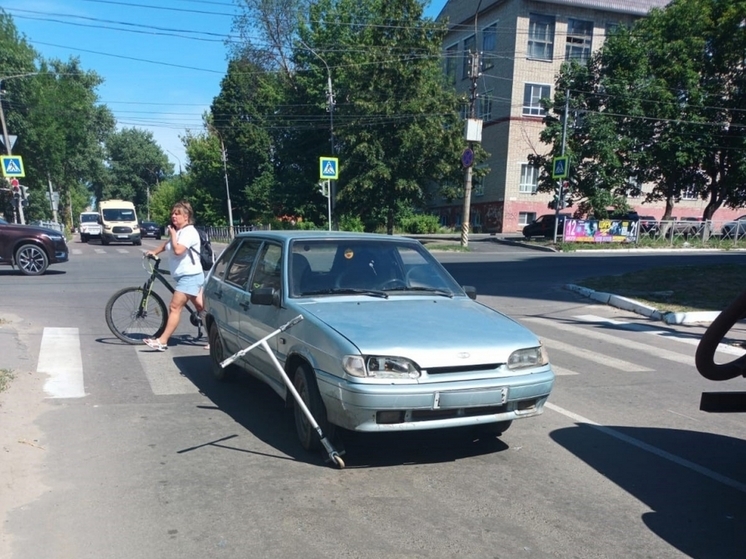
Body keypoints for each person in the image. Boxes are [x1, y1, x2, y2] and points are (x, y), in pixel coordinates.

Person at [143, 200, 204, 351]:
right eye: (173, 213)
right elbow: (167, 245)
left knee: (174, 307)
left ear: (186, 216)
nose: (173, 216)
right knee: (202, 308)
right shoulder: (179, 231)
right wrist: (154, 252)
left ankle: (162, 341)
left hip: (190, 276)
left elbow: (178, 250)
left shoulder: (189, 232)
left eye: (177, 214)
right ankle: (216, 339)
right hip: (187, 276)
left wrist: (173, 235)